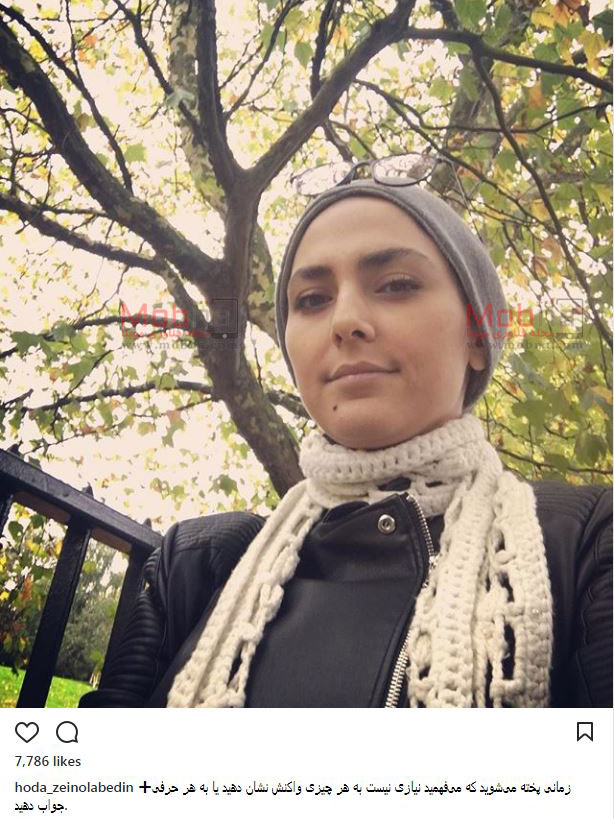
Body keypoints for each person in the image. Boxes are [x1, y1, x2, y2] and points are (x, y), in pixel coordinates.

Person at [80, 165, 612, 709]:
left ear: (478, 335)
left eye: (397, 285)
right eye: (312, 299)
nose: (345, 320)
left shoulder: (587, 540)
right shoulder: (195, 562)